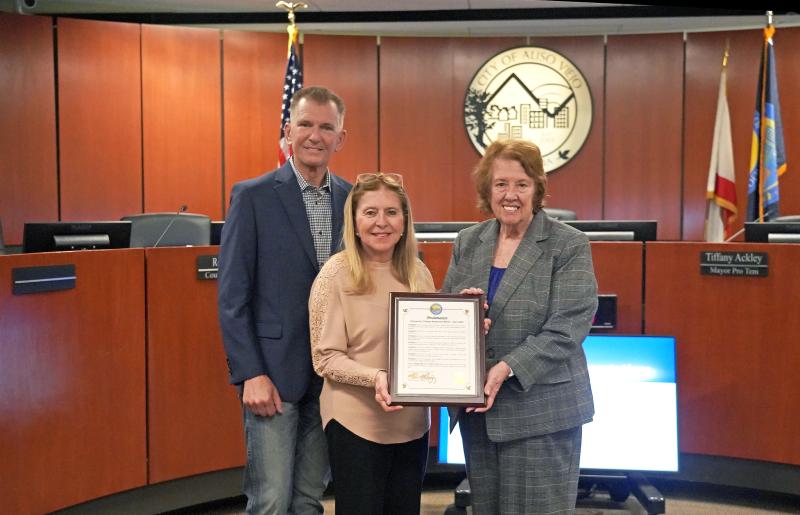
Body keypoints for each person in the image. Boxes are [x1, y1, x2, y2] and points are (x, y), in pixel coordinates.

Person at [441, 139, 598, 515]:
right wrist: (465, 316)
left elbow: (568, 326)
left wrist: (507, 366)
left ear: (537, 189)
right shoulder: (469, 241)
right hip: (479, 413)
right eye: (500, 184)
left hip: (539, 410)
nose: (510, 194)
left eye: (521, 184)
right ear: (487, 190)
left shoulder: (568, 244)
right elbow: (445, 309)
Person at [218, 86, 352, 515]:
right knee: (271, 499)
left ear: (340, 138)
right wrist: (250, 373)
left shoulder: (354, 200)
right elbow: (232, 297)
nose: (315, 135)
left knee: (309, 499)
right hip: (272, 377)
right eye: (306, 124)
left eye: (326, 127)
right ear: (288, 131)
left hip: (331, 376)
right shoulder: (252, 196)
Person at [308, 172, 435, 515]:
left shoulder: (418, 273)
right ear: (354, 221)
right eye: (370, 213)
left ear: (405, 220)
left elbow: (432, 343)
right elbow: (325, 359)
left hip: (410, 425)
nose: (382, 222)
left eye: (392, 212)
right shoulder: (335, 274)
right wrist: (376, 377)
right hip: (355, 423)